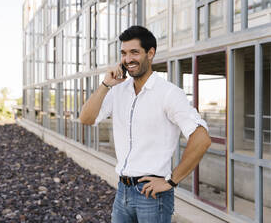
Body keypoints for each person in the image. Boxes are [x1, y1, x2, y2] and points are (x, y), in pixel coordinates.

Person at [79, 26, 211, 223]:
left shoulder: (168, 93)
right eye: (123, 53)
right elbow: (86, 119)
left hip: (152, 196)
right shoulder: (117, 90)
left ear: (150, 53)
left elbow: (202, 139)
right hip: (122, 192)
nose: (127, 59)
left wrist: (171, 181)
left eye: (134, 52)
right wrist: (106, 84)